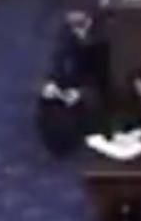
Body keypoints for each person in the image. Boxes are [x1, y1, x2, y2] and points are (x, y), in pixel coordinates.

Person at [34, 9, 108, 157]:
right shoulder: (58, 39)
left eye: (80, 25)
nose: (77, 30)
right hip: (63, 91)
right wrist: (47, 86)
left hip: (87, 95)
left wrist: (81, 93)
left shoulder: (103, 41)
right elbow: (44, 69)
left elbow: (104, 80)